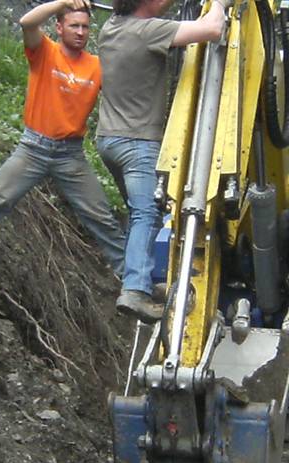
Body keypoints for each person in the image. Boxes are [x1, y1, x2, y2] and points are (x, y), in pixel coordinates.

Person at [0, 0, 126, 278]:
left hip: (70, 156)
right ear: (59, 27)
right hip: (33, 148)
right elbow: (27, 22)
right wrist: (63, 1)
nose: (81, 32)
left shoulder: (97, 66)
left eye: (85, 27)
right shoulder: (44, 51)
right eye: (74, 25)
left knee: (103, 218)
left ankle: (132, 281)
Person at [96, 0, 228, 323]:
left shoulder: (110, 28)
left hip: (107, 140)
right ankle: (135, 289)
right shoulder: (149, 31)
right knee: (147, 212)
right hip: (137, 143)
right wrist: (221, 3)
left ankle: (139, 277)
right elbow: (212, 29)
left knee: (137, 210)